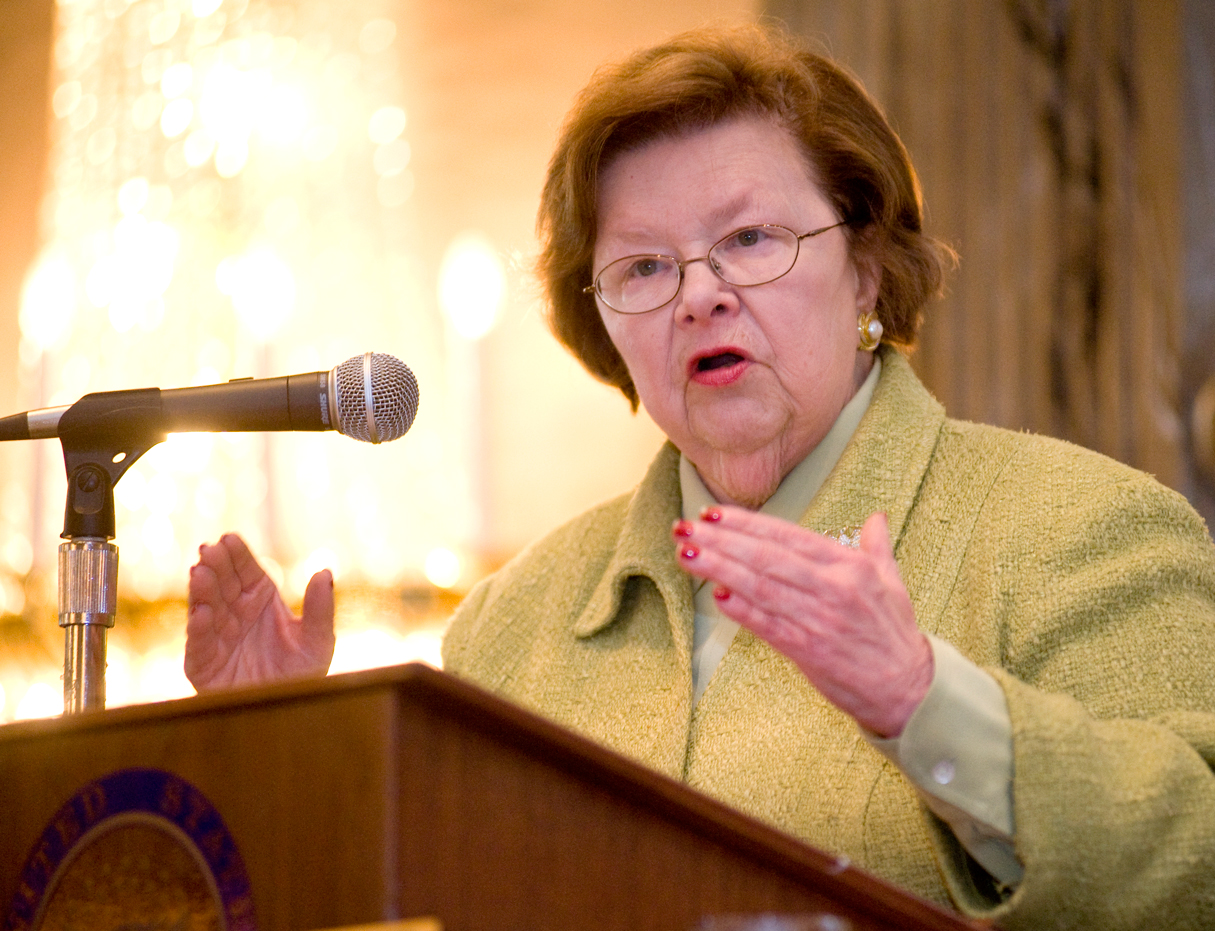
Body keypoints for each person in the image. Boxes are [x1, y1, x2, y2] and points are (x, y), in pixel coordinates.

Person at [185, 22, 1215, 929]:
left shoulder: (1081, 526)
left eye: (750, 240)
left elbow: (1196, 870)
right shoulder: (512, 624)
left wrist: (923, 701)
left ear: (865, 267)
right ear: (604, 324)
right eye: (643, 266)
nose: (698, 296)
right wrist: (288, 760)